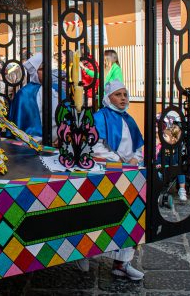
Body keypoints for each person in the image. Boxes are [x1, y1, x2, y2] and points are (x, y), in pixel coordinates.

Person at [80, 80, 144, 280]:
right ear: (108, 98)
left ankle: (122, 262)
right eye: (118, 94)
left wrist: (135, 159)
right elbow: (95, 147)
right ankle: (84, 252)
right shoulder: (99, 118)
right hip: (108, 174)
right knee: (100, 216)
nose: (123, 98)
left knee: (130, 218)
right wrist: (119, 161)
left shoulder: (129, 119)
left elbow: (139, 145)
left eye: (125, 94)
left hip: (130, 173)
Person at [8, 53, 59, 143]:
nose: (47, 72)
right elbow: (18, 125)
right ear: (35, 71)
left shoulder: (54, 89)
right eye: (42, 69)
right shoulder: (24, 93)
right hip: (32, 145)